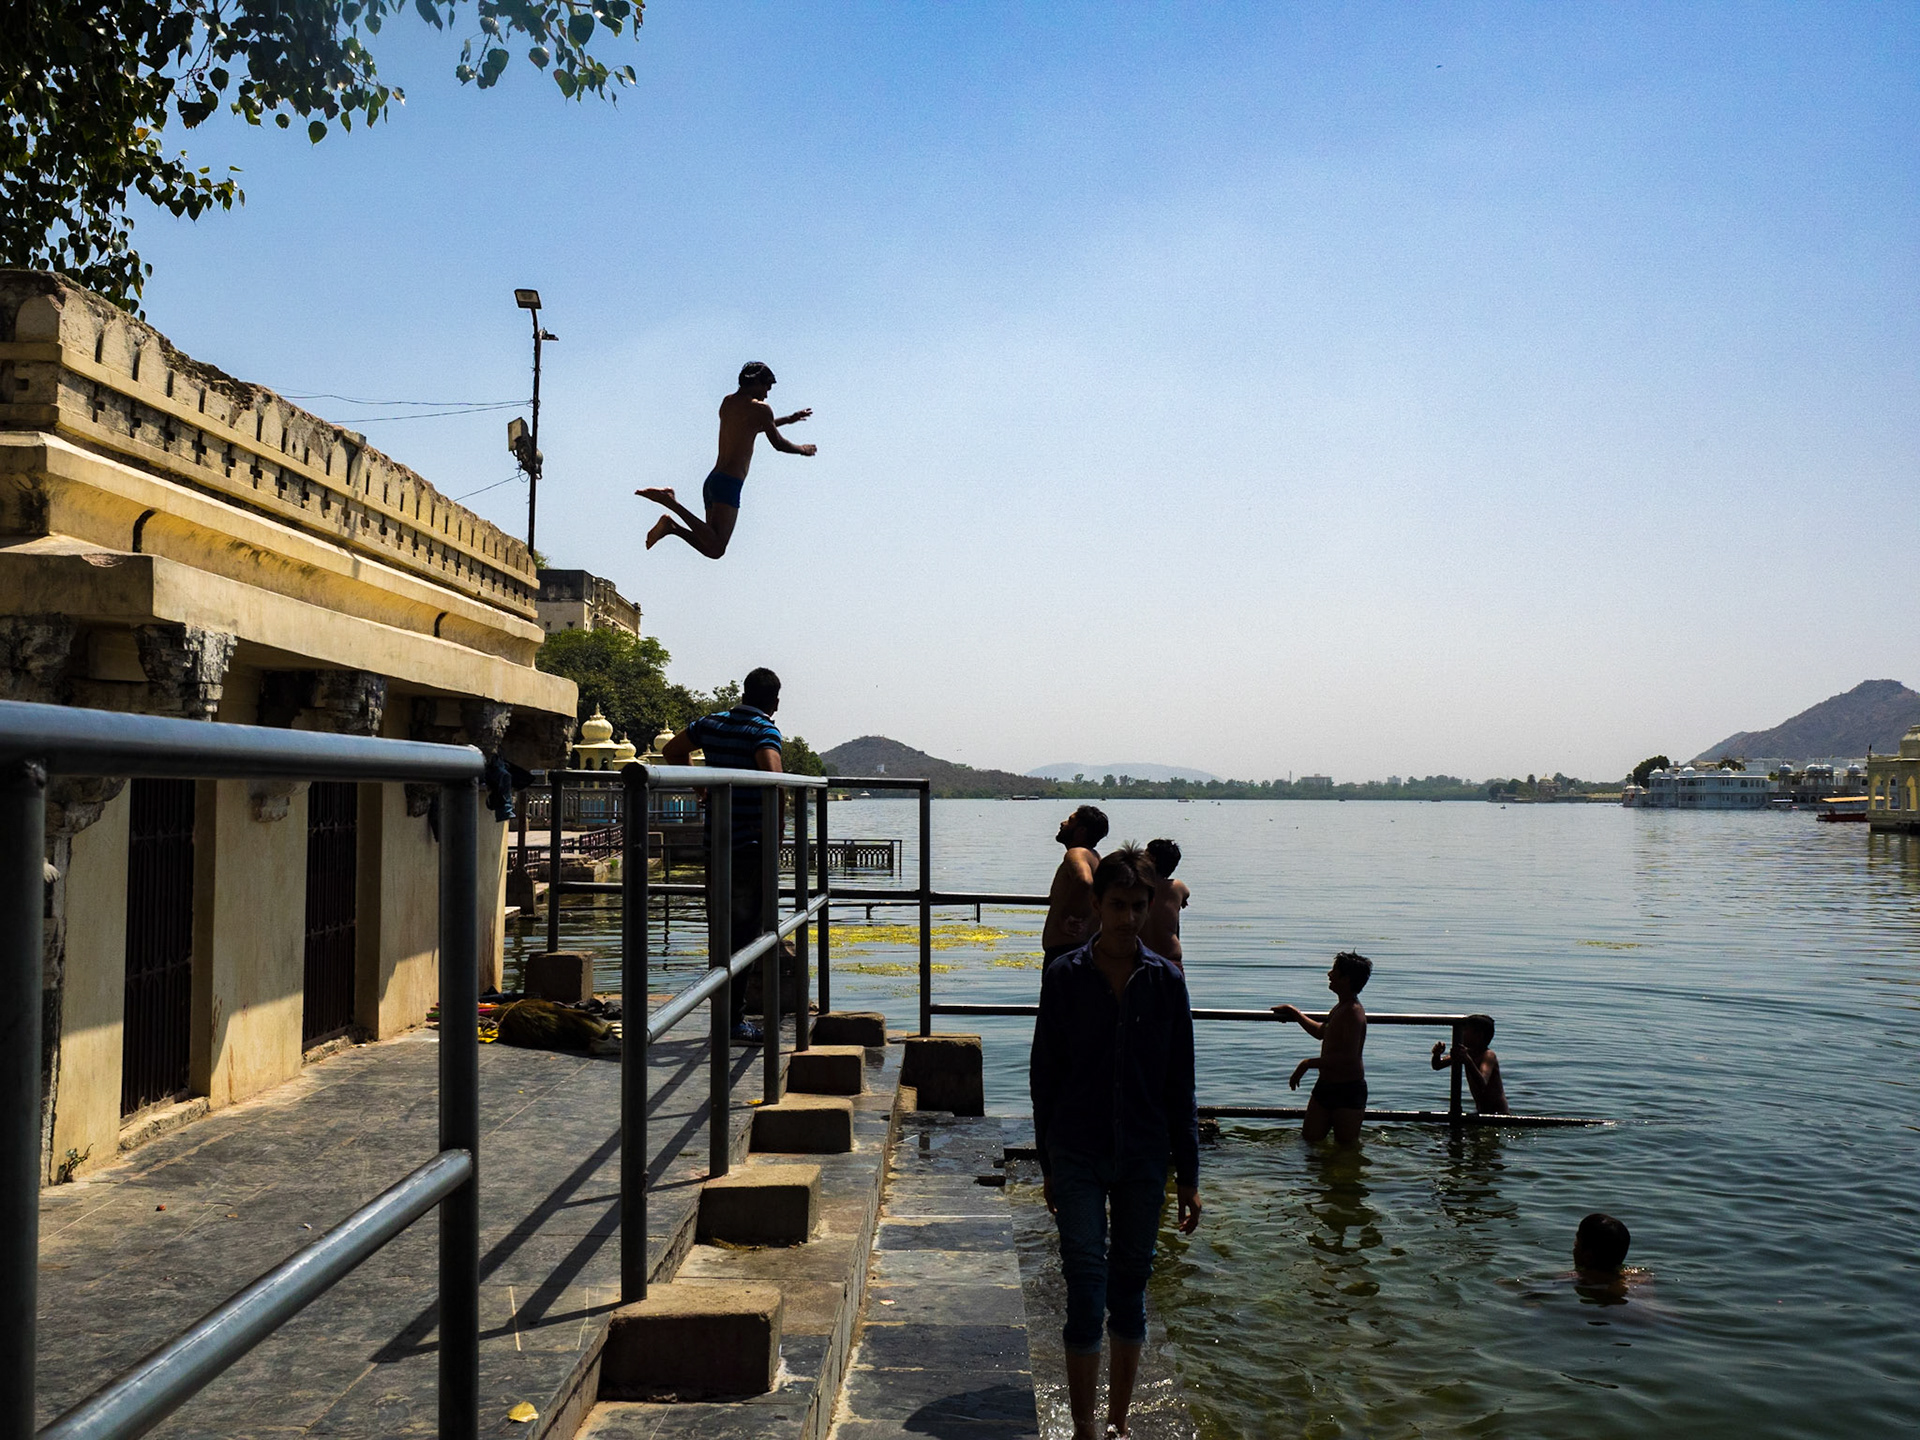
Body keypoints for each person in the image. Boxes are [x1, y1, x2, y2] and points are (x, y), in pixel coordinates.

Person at [1031, 844, 1201, 1440]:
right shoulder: (1064, 978)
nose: (1128, 917)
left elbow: (1181, 1083)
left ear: (1150, 906)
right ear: (1098, 905)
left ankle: (1120, 1423)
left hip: (1145, 1155)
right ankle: (1084, 1429)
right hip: (1077, 1147)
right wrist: (1048, 1161)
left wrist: (1190, 1177)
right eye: (1118, 905)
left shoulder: (1166, 984)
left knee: (1130, 1290)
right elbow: (1044, 1075)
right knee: (1084, 1286)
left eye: (1137, 905)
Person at [662, 667, 785, 1044]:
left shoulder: (711, 723)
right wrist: (776, 837)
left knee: (720, 928)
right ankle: (732, 1021)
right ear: (774, 702)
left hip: (715, 844)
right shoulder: (765, 730)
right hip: (749, 848)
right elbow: (773, 779)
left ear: (745, 693)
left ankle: (727, 1013)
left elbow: (672, 750)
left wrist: (701, 785)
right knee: (746, 934)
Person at [637, 362, 816, 558]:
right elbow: (778, 443)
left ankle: (671, 527)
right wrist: (802, 450)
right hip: (730, 483)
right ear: (756, 381)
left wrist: (789, 419)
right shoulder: (762, 409)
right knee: (717, 547)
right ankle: (670, 502)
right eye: (767, 387)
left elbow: (753, 425)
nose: (767, 393)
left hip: (713, 481)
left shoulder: (728, 403)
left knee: (712, 548)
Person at [1273, 951, 1373, 1144]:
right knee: (1309, 1141)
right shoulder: (1341, 1007)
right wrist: (1295, 1013)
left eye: (1334, 971)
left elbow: (1348, 1058)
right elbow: (1321, 1032)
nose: (1329, 974)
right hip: (1325, 1086)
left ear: (1346, 979)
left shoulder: (1353, 1012)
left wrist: (1307, 1064)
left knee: (1345, 1150)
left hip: (1348, 1089)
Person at [1041, 805, 1109, 965]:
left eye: (1070, 821)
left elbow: (1084, 881)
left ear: (1081, 831)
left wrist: (1068, 917)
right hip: (1083, 949)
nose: (1062, 823)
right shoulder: (1094, 857)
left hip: (1066, 952)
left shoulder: (1076, 853)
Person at [1431, 1013, 1509, 1113]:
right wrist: (1437, 1055)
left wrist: (1467, 1060)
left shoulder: (1488, 1055)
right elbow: (1437, 1065)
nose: (1461, 1033)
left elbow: (1482, 1082)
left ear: (1478, 1035)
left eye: (1465, 1030)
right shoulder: (1468, 1053)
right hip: (1481, 1111)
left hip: (1498, 1114)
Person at [1141, 837, 1189, 970]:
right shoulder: (1177, 888)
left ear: (1152, 859)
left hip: (1142, 960)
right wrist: (1182, 901)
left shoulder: (1136, 887)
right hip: (1171, 959)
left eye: (1144, 855)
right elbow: (1186, 894)